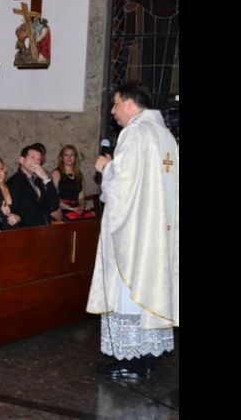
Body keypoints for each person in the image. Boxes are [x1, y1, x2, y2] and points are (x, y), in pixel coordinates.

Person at [87, 82, 179, 380]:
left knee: (128, 290)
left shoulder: (135, 133)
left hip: (135, 232)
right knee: (148, 290)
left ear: (129, 103)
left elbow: (122, 186)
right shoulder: (165, 135)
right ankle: (146, 357)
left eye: (115, 104)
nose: (113, 112)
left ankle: (131, 360)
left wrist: (106, 168)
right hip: (157, 231)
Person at [7, 144, 59, 227]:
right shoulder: (13, 182)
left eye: (38, 159)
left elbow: (54, 205)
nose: (36, 162)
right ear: (21, 160)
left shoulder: (39, 180)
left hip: (45, 228)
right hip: (28, 231)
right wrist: (20, 218)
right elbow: (13, 213)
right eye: (32, 158)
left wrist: (46, 179)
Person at [50, 144, 94, 221]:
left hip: (76, 208)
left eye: (72, 155)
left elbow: (81, 197)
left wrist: (82, 207)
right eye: (66, 155)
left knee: (92, 220)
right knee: (77, 222)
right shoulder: (56, 173)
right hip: (63, 209)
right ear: (62, 157)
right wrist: (71, 208)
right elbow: (53, 198)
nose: (69, 157)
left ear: (75, 158)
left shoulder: (79, 174)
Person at [0, 155, 21, 228]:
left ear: (5, 169)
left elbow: (25, 211)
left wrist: (18, 217)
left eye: (0, 169)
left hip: (20, 230)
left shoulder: (14, 187)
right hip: (1, 232)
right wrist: (1, 213)